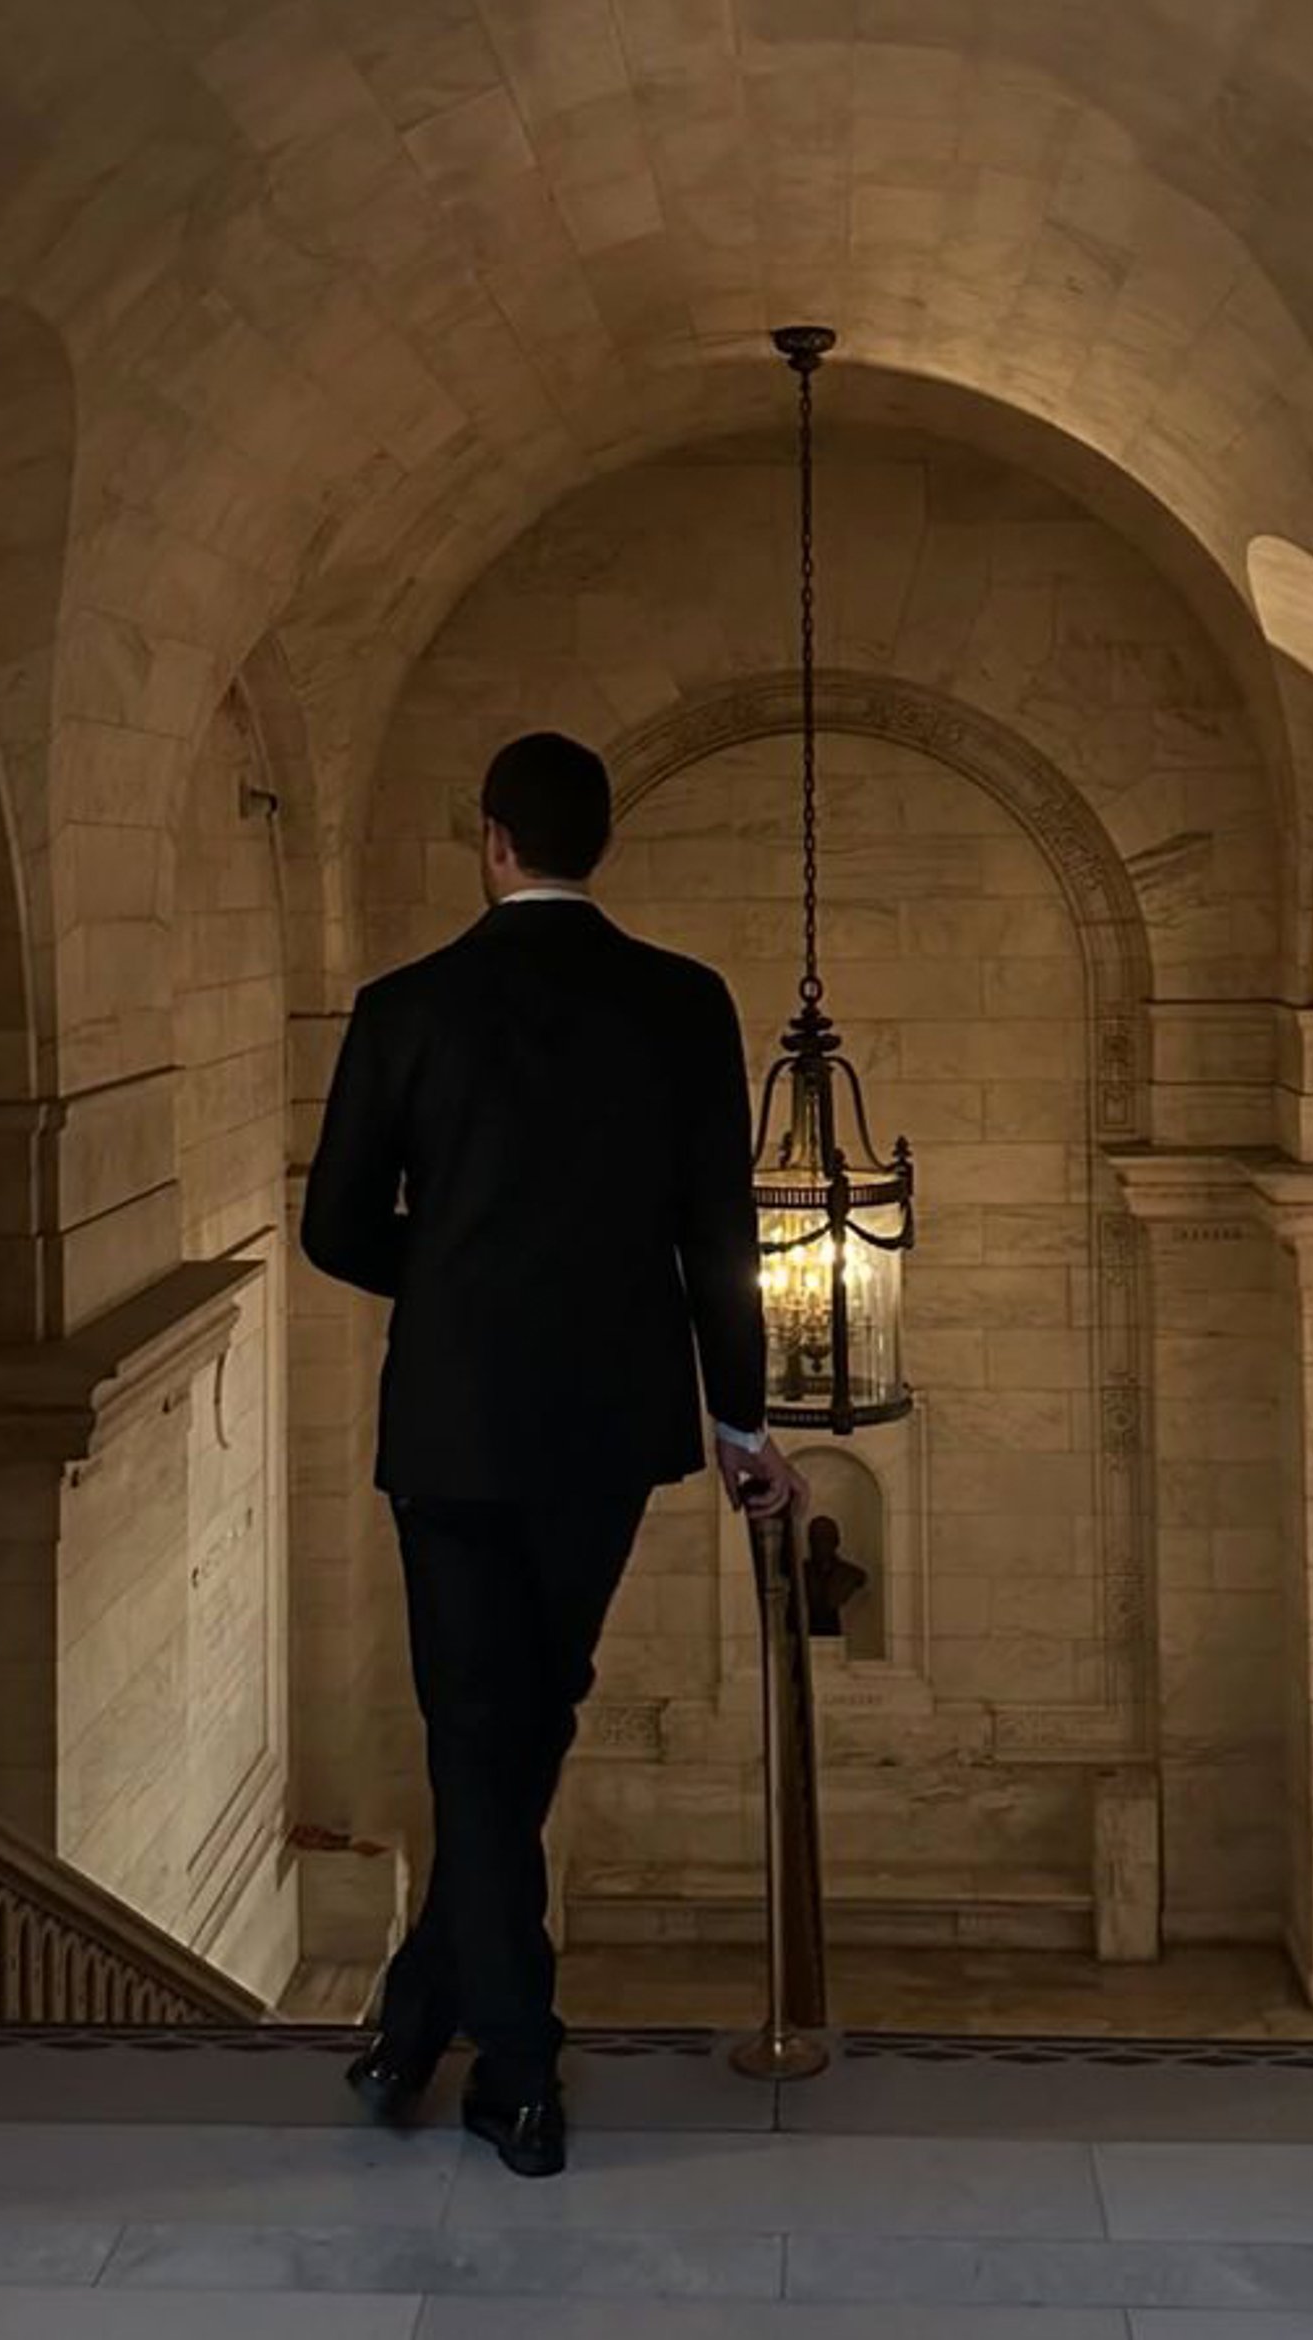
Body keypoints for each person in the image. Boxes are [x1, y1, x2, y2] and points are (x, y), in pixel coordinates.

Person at [300, 730, 803, 2177]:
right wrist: (740, 1420)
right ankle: (449, 2039)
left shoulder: (404, 1007)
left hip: (453, 1420)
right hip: (607, 1420)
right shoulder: (683, 1001)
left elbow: (337, 1228)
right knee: (531, 1715)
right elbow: (720, 1232)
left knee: (481, 1729)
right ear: (597, 845)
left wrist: (459, 1279)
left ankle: (498, 2066)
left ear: (493, 840)